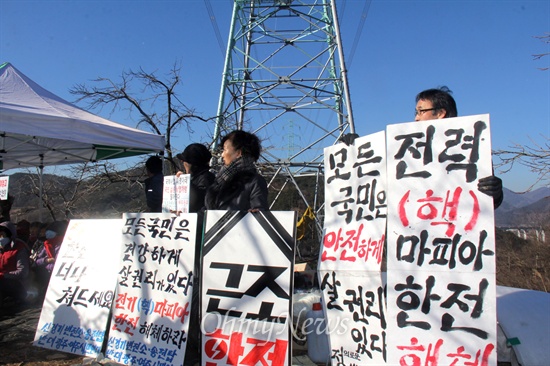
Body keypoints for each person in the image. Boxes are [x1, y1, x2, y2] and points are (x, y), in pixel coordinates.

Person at [414, 87, 504, 208]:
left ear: (440, 113)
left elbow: (487, 204)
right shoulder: (409, 151)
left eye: (421, 111)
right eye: (416, 113)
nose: (416, 118)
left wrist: (495, 194)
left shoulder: (473, 149)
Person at [205, 130, 269, 211]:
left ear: (238, 153)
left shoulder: (255, 181)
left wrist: (254, 213)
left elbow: (260, 213)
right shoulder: (221, 179)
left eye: (225, 150)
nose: (222, 155)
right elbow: (207, 210)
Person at [30, 220, 68, 298]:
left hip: (58, 273)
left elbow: (58, 262)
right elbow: (37, 260)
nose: (47, 234)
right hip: (46, 272)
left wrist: (49, 264)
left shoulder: (64, 244)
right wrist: (46, 260)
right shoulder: (47, 244)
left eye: (50, 232)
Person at [176, 143, 216, 213]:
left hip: (196, 221)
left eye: (184, 160)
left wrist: (185, 184)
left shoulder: (206, 178)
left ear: (192, 163)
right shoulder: (197, 177)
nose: (182, 162)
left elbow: (199, 201)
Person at [0, 221, 30, 305]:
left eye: (3, 235)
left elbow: (23, 272)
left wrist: (4, 275)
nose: (1, 238)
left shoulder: (19, 249)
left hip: (18, 285)